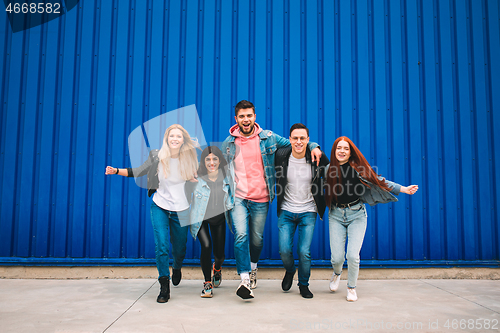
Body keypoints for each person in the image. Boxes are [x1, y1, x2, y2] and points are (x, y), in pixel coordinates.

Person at [221, 100, 323, 299]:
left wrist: (314, 146)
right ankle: (244, 279)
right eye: (242, 116)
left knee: (257, 240)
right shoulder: (228, 143)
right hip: (239, 197)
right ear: (236, 119)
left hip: (261, 198)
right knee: (241, 235)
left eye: (249, 115)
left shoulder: (268, 138)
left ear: (255, 116)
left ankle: (253, 266)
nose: (246, 119)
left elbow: (296, 143)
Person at [105, 124, 199, 303]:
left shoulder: (189, 159)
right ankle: (164, 285)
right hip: (160, 206)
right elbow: (138, 171)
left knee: (180, 249)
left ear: (183, 140)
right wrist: (116, 171)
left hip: (182, 209)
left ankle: (177, 267)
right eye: (172, 136)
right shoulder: (156, 156)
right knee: (162, 245)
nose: (175, 139)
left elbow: (197, 181)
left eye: (178, 136)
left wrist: (195, 180)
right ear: (167, 138)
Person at [325, 136, 418, 302]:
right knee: (337, 258)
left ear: (350, 152)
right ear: (334, 150)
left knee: (353, 255)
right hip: (336, 216)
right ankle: (337, 273)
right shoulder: (327, 170)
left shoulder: (358, 169)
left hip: (357, 215)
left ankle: (351, 287)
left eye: (346, 149)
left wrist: (403, 189)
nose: (342, 151)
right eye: (339, 148)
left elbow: (380, 181)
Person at [275, 123, 329, 298]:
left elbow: (334, 172)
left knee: (304, 252)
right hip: (286, 210)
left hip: (308, 210)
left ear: (308, 139)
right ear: (289, 139)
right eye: (295, 138)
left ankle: (304, 284)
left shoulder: (317, 158)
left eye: (302, 138)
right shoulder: (281, 155)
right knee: (284, 250)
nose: (298, 141)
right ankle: (290, 270)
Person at [189, 146, 232, 298]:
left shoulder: (227, 177)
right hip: (200, 219)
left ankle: (218, 268)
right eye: (208, 159)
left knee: (219, 255)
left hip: (219, 219)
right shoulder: (196, 177)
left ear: (220, 161)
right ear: (203, 161)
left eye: (215, 159)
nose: (211, 162)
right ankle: (207, 283)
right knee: (206, 246)